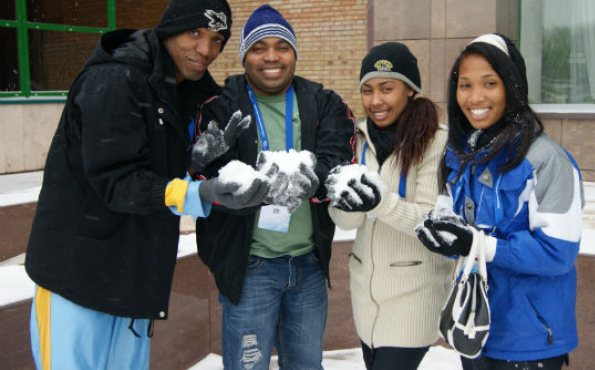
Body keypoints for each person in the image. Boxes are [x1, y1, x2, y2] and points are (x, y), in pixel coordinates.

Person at [25, 1, 270, 369]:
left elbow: (147, 164)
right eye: (195, 33)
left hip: (130, 282)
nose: (206, 49)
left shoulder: (183, 90)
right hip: (75, 278)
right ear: (171, 28)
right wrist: (194, 192)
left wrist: (191, 162)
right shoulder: (115, 79)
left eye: (217, 39)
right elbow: (115, 178)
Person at [190, 5, 355, 370]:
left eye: (281, 46)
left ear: (294, 53)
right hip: (250, 268)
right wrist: (207, 166)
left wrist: (314, 176)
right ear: (244, 56)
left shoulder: (322, 102)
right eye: (258, 47)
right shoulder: (220, 105)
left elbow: (338, 157)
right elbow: (208, 175)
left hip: (308, 265)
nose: (271, 57)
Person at [415, 33, 583, 370]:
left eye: (489, 83)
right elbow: (462, 230)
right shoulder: (460, 154)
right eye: (465, 85)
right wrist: (445, 237)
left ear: (512, 86)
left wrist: (478, 244)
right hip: (475, 328)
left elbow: (558, 254)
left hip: (531, 339)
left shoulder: (547, 160)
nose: (475, 96)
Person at [324, 42, 453, 369]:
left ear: (410, 90)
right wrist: (345, 202)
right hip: (365, 295)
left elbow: (429, 221)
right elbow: (348, 223)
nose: (375, 100)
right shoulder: (358, 139)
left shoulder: (437, 141)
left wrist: (378, 201)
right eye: (367, 90)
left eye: (387, 88)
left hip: (414, 294)